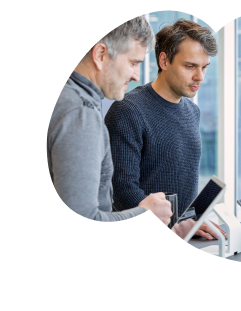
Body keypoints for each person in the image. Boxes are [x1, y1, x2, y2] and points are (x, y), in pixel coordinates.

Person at [105, 19, 227, 240]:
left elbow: (184, 182)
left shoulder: (192, 111)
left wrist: (188, 223)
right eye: (190, 66)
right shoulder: (128, 110)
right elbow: (123, 191)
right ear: (164, 60)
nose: (200, 76)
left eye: (204, 67)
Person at [46, 16, 173, 224]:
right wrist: (146, 213)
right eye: (133, 63)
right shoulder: (81, 113)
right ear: (100, 55)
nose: (136, 76)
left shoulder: (67, 98)